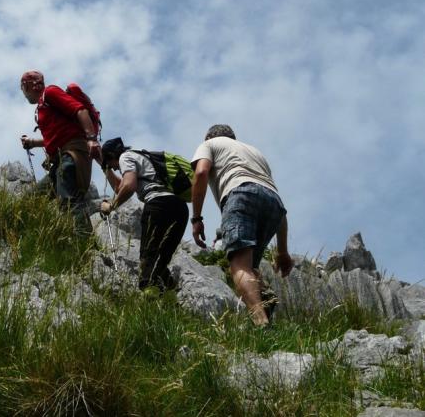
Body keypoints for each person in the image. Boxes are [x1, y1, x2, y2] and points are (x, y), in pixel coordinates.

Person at [190, 124, 294, 326]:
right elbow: (280, 210)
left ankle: (260, 323)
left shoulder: (209, 144)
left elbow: (201, 173)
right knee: (251, 267)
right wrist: (282, 251)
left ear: (208, 137)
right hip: (273, 202)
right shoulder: (255, 152)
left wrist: (196, 219)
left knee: (239, 265)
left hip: (240, 194)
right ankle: (266, 301)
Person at [100, 137, 189, 294]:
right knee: (161, 260)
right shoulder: (142, 157)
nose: (114, 169)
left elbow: (129, 185)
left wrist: (111, 206)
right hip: (180, 208)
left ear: (113, 155)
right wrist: (104, 168)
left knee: (148, 258)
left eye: (111, 165)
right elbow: (120, 187)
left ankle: (151, 297)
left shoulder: (125, 157)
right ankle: (170, 297)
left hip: (158, 204)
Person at [19, 70, 101, 233]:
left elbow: (80, 111)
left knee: (68, 197)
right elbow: (58, 135)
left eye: (23, 88)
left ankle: (85, 243)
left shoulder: (50, 93)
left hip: (72, 153)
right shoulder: (42, 107)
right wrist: (33, 142)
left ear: (29, 85)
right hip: (60, 158)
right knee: (32, 199)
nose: (23, 93)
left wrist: (91, 138)